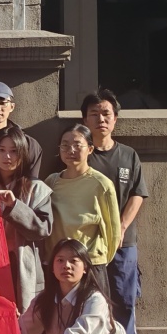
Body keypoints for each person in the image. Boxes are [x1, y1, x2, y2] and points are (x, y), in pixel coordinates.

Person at [81, 89, 149, 334]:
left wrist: (121, 227)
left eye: (106, 113)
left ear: (115, 119)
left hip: (123, 244)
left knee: (124, 300)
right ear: (85, 119)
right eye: (94, 114)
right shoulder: (79, 153)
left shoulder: (128, 155)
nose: (101, 119)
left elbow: (138, 194)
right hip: (89, 246)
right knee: (91, 303)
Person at [0, 126, 53, 313]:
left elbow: (43, 229)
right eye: (1, 150)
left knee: (23, 320)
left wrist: (15, 206)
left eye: (14, 151)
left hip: (20, 264)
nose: (7, 156)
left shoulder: (37, 189)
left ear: (23, 154)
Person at [44, 124, 121, 296]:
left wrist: (97, 260)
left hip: (90, 264)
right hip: (58, 265)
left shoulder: (101, 184)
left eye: (77, 145)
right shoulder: (51, 182)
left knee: (92, 310)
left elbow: (113, 232)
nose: (70, 150)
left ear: (90, 149)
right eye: (65, 145)